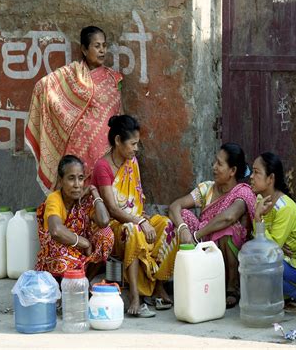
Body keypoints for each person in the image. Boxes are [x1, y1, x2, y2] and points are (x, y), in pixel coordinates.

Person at [92, 115, 179, 317]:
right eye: (132, 144)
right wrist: (139, 221)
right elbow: (113, 209)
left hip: (135, 218)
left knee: (166, 224)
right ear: (117, 141)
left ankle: (157, 286)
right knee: (132, 231)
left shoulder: (132, 162)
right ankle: (135, 296)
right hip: (112, 226)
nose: (136, 148)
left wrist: (142, 219)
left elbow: (136, 200)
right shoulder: (102, 167)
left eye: (137, 144)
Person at [26, 26, 123, 194]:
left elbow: (118, 113)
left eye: (104, 46)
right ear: (84, 49)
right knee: (77, 191)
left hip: (106, 149)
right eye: (97, 46)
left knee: (105, 195)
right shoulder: (72, 74)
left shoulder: (113, 79)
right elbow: (44, 86)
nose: (102, 50)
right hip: (79, 148)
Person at [168, 143, 256, 308]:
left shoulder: (242, 193)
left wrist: (197, 235)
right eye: (215, 162)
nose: (214, 167)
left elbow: (229, 217)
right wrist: (184, 229)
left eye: (219, 164)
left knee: (228, 229)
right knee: (182, 217)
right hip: (203, 245)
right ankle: (192, 282)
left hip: (224, 248)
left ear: (232, 171)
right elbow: (175, 206)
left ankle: (231, 288)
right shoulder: (206, 188)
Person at [250, 152, 296, 313]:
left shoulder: (285, 207)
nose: (251, 177)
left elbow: (268, 248)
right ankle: (286, 296)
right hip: (284, 262)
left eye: (256, 172)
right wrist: (275, 247)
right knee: (255, 259)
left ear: (270, 178)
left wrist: (258, 218)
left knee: (262, 262)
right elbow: (260, 242)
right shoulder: (260, 201)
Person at [35, 155, 114, 280]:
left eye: (81, 178)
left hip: (80, 254)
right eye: (71, 178)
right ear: (61, 181)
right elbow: (56, 231)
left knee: (106, 235)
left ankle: (85, 281)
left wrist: (95, 192)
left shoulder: (85, 202)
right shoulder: (54, 199)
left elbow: (104, 222)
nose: (77, 184)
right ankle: (67, 285)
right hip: (58, 255)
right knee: (59, 249)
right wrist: (84, 243)